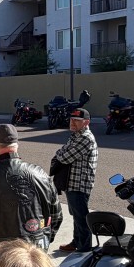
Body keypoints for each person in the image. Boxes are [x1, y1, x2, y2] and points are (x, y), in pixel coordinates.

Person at [0, 123, 62, 265]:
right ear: (17, 145)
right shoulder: (42, 175)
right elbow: (56, 217)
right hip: (33, 259)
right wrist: (42, 245)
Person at [52, 108, 98, 253]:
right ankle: (76, 242)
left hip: (79, 184)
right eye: (72, 119)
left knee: (81, 217)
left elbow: (64, 157)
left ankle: (84, 248)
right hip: (71, 183)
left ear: (86, 122)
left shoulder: (85, 138)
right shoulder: (76, 136)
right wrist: (60, 154)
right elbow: (61, 152)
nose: (73, 122)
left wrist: (59, 155)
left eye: (77, 120)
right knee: (76, 216)